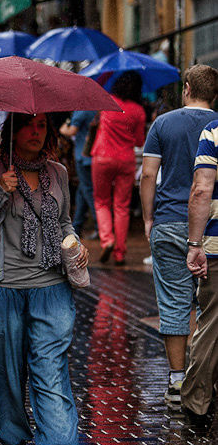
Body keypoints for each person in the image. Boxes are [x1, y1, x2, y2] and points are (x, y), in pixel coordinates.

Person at [0, 113, 88, 445]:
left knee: (50, 366)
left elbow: (64, 222)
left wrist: (75, 244)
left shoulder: (58, 173)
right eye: (28, 125)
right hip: (4, 288)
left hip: (51, 287)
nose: (36, 132)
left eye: (42, 126)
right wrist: (0, 192)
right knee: (7, 371)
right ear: (12, 131)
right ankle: (13, 440)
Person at [140, 64, 218, 409]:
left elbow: (147, 174)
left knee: (174, 303)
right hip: (212, 226)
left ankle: (176, 381)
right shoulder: (215, 127)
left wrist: (147, 218)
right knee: (210, 307)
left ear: (186, 88)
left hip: (170, 221)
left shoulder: (163, 124)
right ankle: (204, 380)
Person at [181, 116, 218, 419]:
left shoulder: (214, 131)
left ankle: (197, 403)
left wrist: (195, 244)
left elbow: (201, 189)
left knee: (211, 323)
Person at [91, 71, 146, 265]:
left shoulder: (107, 103)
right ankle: (120, 253)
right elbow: (139, 141)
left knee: (101, 201)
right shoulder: (139, 110)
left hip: (103, 156)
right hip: (126, 159)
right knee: (122, 206)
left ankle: (108, 239)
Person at [60, 111, 98, 238]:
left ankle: (100, 227)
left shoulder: (81, 110)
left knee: (88, 192)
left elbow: (71, 131)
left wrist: (64, 126)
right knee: (82, 191)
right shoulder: (95, 109)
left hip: (83, 156)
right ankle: (77, 225)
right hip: (91, 156)